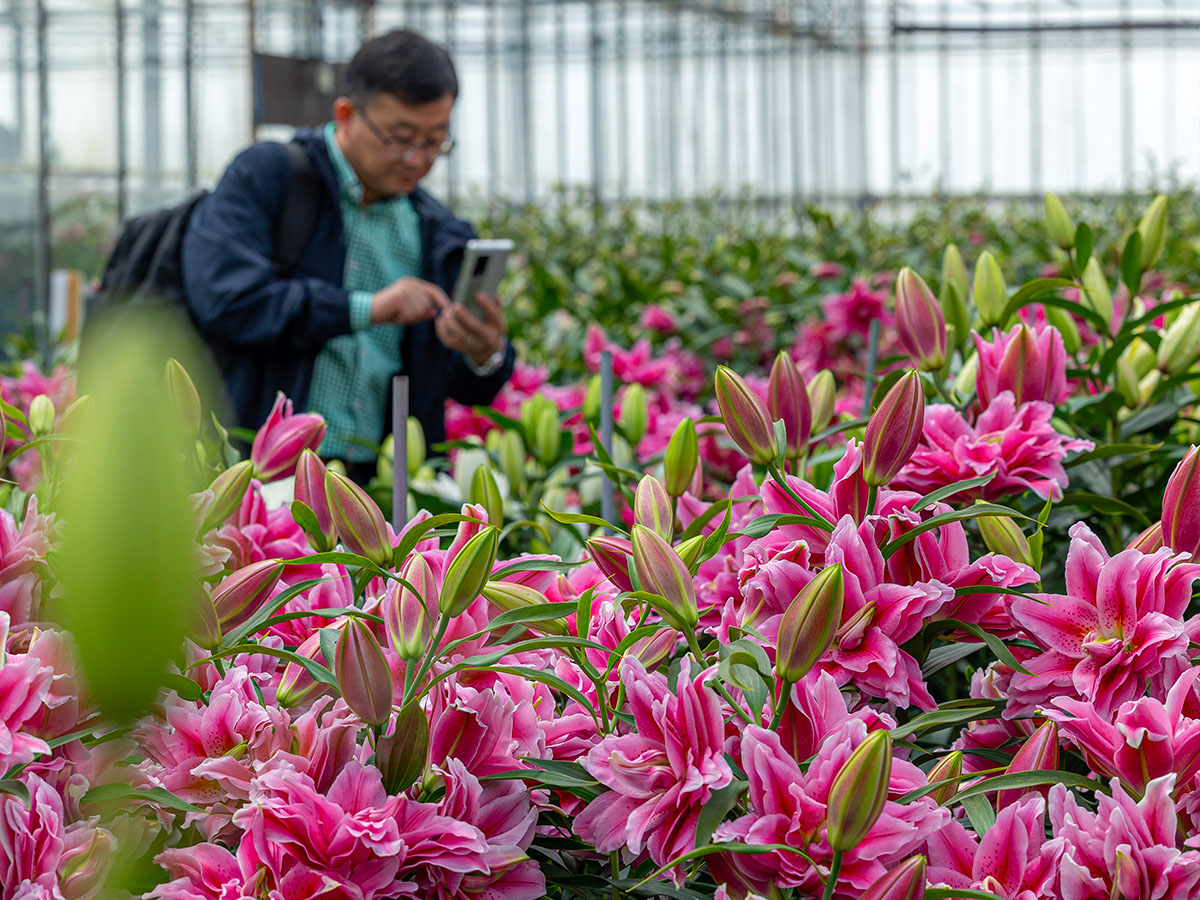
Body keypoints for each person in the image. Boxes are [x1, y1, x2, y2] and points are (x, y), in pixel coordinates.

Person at [181, 29, 513, 480]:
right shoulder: (270, 178)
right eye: (400, 137)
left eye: (436, 141)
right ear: (345, 115)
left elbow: (463, 384)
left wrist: (484, 353)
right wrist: (369, 309)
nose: (417, 159)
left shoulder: (436, 229)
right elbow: (229, 299)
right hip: (259, 472)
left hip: (373, 485)